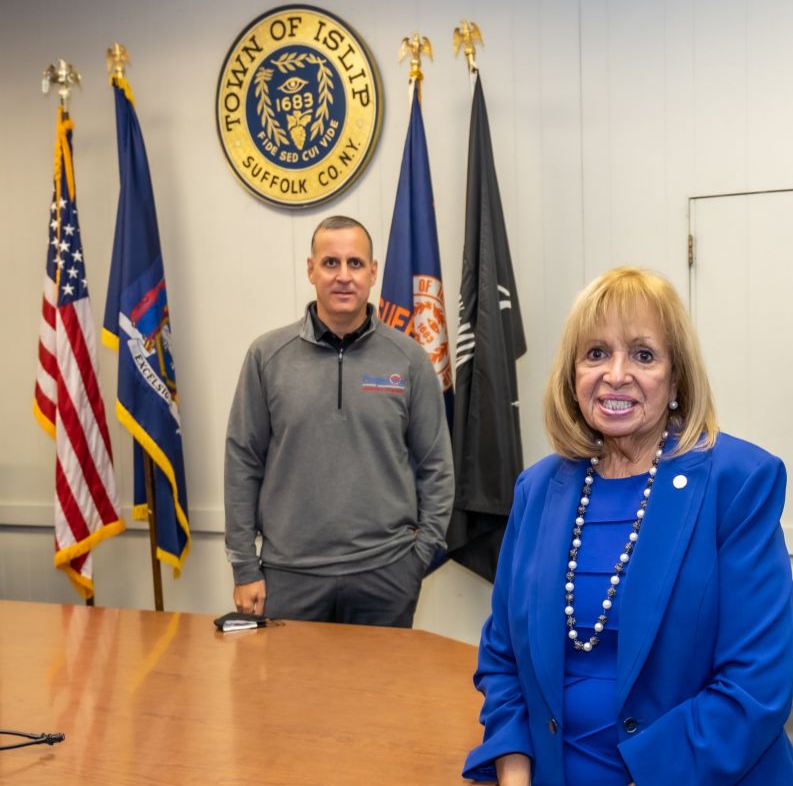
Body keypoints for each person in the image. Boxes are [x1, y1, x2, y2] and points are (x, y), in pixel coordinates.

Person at [463, 267, 793, 785]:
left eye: (643, 355)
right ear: (573, 376)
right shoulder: (537, 490)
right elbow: (503, 658)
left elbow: (756, 685)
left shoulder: (738, 483)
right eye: (596, 353)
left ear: (676, 377)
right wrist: (513, 775)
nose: (616, 374)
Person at [224, 215, 454, 628]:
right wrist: (244, 566)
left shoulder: (409, 359)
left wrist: (417, 560)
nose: (343, 276)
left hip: (385, 575)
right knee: (290, 694)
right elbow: (242, 463)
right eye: (331, 263)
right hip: (290, 577)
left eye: (355, 263)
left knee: (381, 694)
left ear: (373, 272)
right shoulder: (267, 356)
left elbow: (438, 465)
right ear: (310, 269)